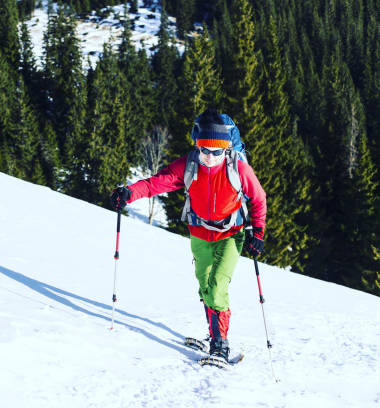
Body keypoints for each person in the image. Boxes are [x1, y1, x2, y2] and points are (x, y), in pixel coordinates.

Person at [110, 109, 266, 362]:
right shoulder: (190, 164)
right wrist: (129, 192)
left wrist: (257, 233)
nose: (210, 156)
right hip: (199, 233)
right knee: (204, 286)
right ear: (198, 145)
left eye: (217, 151)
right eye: (205, 149)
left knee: (216, 287)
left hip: (231, 234)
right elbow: (157, 182)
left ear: (226, 149)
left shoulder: (238, 168)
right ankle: (212, 334)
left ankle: (220, 344)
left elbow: (258, 198)